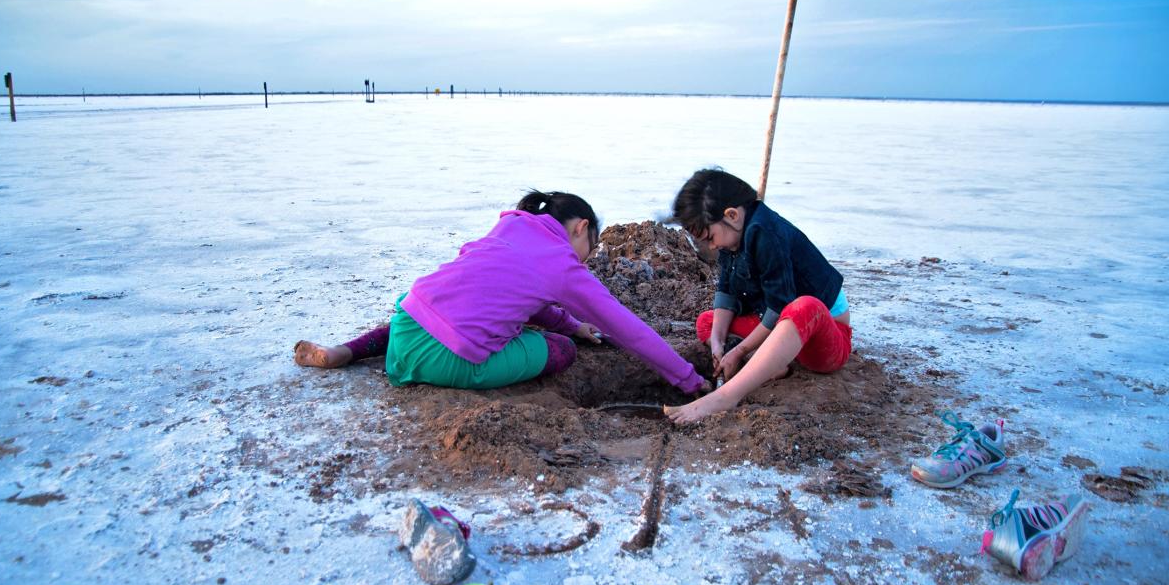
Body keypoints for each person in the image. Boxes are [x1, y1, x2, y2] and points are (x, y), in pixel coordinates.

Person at [295, 191, 709, 395]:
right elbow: (628, 329)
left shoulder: (510, 227)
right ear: (580, 227)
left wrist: (572, 322)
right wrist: (687, 378)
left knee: (432, 310)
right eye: (591, 247)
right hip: (450, 360)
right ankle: (441, 360)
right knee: (559, 348)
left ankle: (344, 352)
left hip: (407, 325)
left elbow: (510, 291)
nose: (587, 260)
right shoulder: (563, 264)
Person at [663, 169, 850, 423]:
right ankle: (772, 363)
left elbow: (780, 306)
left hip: (821, 336)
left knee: (803, 306)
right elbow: (727, 291)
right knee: (708, 323)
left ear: (732, 214)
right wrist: (718, 344)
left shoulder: (766, 233)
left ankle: (727, 395)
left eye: (710, 238)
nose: (712, 246)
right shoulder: (732, 236)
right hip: (779, 328)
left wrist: (739, 350)